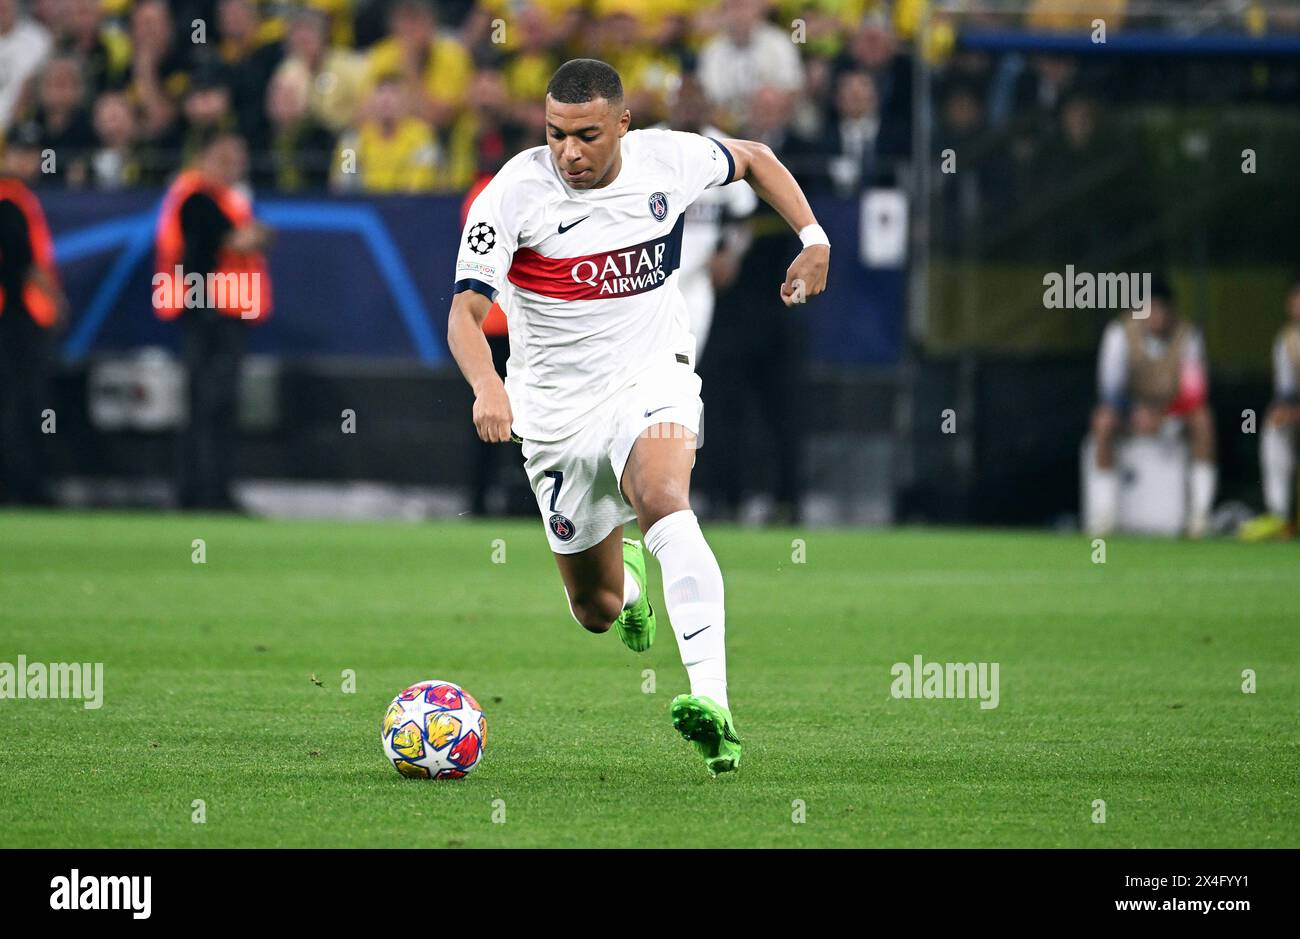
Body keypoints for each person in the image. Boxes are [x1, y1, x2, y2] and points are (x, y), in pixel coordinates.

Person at [446, 59, 829, 776]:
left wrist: (813, 238)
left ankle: (712, 702)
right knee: (594, 608)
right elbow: (465, 314)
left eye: (587, 135)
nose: (570, 152)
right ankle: (624, 576)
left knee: (662, 496)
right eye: (557, 134)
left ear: (624, 123)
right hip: (555, 415)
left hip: (651, 378)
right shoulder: (512, 194)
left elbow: (755, 159)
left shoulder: (667, 160)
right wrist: (486, 384)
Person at [153, 130, 273, 510]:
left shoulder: (219, 199)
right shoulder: (199, 198)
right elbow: (241, 241)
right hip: (210, 312)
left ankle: (204, 490)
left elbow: (249, 238)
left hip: (218, 312)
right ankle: (206, 492)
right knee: (210, 405)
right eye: (225, 157)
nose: (234, 165)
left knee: (211, 405)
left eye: (238, 157)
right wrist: (252, 236)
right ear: (205, 159)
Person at [1090, 276, 1216, 537]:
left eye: (1162, 308)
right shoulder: (1119, 333)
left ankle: (1200, 515)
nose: (1156, 315)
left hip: (1173, 413)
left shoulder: (1188, 335)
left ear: (1171, 311)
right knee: (1102, 421)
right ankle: (1104, 515)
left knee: (1203, 419)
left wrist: (1164, 415)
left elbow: (1195, 392)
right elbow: (1109, 389)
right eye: (1150, 308)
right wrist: (1135, 412)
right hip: (1132, 413)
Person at [0, 122, 64, 505]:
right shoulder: (9, 199)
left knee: (22, 403)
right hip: (14, 316)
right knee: (22, 404)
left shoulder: (19, 197)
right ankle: (21, 484)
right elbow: (24, 261)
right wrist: (54, 297)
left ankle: (20, 483)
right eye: (22, 154)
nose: (31, 161)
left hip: (19, 314)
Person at [1241, 276, 1300, 540]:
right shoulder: (1286, 339)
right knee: (1274, 422)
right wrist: (1286, 410)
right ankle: (1279, 514)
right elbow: (1286, 392)